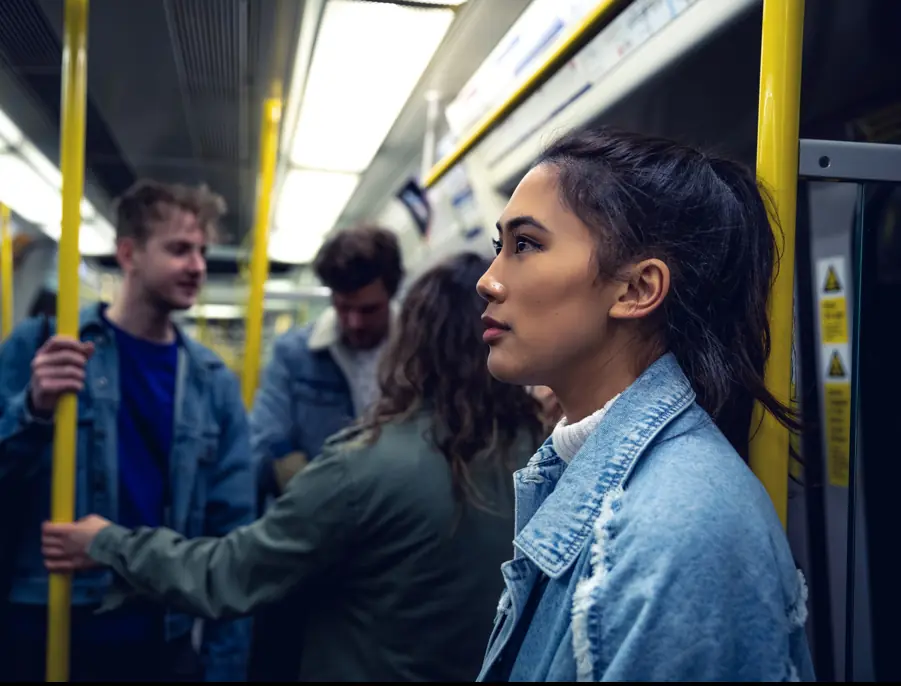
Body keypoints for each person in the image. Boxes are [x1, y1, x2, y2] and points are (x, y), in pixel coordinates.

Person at [41, 252, 545, 682]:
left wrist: (107, 542)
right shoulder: (548, 460)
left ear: (413, 341)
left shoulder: (363, 468)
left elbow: (228, 574)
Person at [471, 128, 816, 681]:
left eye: (526, 245)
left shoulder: (681, 529)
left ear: (636, 290)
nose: (489, 281)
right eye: (499, 247)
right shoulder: (589, 475)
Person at [0, 180, 254, 682]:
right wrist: (34, 409)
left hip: (162, 631)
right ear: (129, 253)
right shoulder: (46, 347)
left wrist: (226, 665)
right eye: (179, 249)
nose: (198, 266)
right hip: (49, 619)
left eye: (201, 251)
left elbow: (233, 537)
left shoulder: (213, 384)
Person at [247, 224, 403, 680]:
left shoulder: (422, 351)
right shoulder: (296, 354)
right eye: (342, 307)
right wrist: (334, 509)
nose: (353, 322)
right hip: (310, 548)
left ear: (391, 294)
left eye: (368, 310)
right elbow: (267, 444)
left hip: (394, 548)